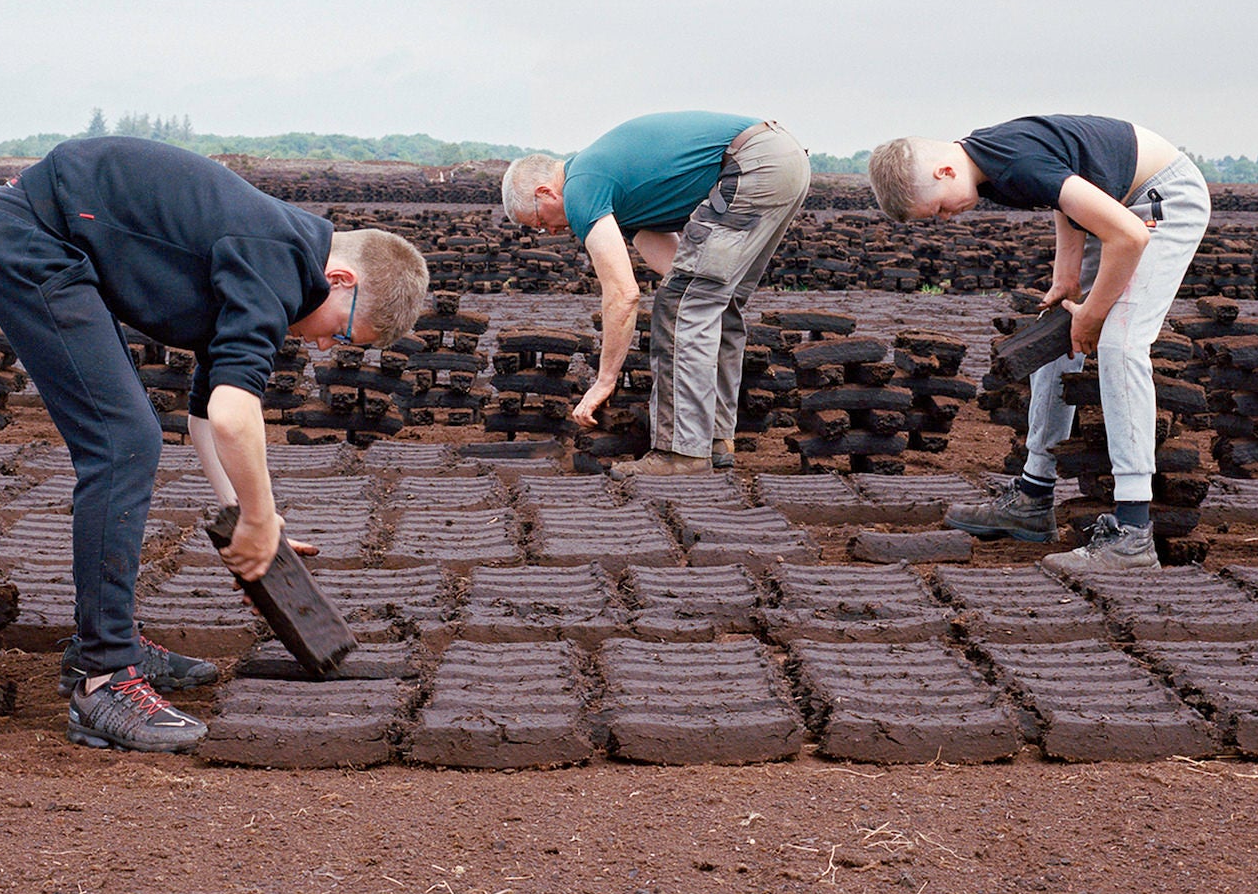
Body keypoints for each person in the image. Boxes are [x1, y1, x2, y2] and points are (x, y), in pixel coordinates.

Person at [0, 137, 427, 751]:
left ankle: (96, 649)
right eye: (342, 335)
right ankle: (104, 679)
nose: (322, 348)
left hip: (53, 239)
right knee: (123, 440)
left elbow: (209, 411)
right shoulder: (278, 262)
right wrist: (260, 520)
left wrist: (245, 517)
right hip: (30, 240)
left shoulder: (270, 252)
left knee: (131, 434)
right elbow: (237, 417)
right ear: (339, 280)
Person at [868, 115, 1210, 571]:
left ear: (943, 172)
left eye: (940, 211)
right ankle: (1032, 497)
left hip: (1161, 201)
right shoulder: (988, 161)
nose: (948, 219)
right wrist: (1067, 276)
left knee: (1119, 346)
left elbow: (1127, 236)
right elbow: (1065, 190)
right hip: (1120, 205)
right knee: (1058, 336)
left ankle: (1132, 532)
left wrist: (1092, 315)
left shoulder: (1013, 162)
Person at [502, 113, 810, 475]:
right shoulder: (613, 191)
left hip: (752, 165)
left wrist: (604, 381)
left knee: (681, 305)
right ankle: (715, 440)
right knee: (709, 301)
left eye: (538, 221)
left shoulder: (581, 187)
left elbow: (623, 294)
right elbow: (676, 267)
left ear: (545, 192)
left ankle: (681, 454)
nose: (548, 231)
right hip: (782, 159)